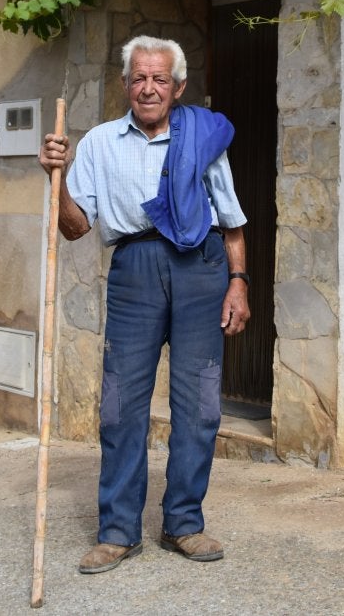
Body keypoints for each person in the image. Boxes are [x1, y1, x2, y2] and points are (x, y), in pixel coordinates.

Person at [38, 35, 250, 575]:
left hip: (201, 269)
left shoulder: (201, 139)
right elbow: (74, 227)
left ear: (178, 87)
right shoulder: (102, 143)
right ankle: (118, 532)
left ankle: (184, 522)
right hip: (134, 270)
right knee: (119, 405)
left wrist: (238, 282)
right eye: (138, 78)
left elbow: (231, 219)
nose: (148, 88)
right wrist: (55, 180)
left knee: (198, 405)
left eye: (159, 79)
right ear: (125, 84)